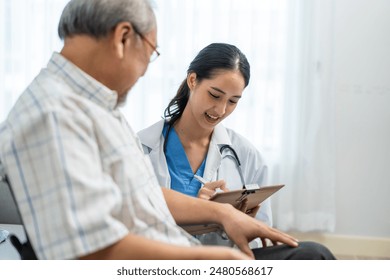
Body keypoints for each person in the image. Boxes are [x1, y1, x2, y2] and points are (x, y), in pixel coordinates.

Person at [0, 0, 335, 260]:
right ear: (123, 38)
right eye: (150, 53)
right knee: (313, 259)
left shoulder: (92, 105)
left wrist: (220, 213)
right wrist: (207, 259)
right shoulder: (54, 115)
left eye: (233, 101)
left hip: (176, 254)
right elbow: (89, 252)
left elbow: (140, 194)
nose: (146, 71)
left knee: (311, 254)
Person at [138, 43, 272, 247]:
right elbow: (129, 227)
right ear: (193, 80)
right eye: (215, 95)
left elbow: (261, 243)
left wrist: (242, 224)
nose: (220, 110)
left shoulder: (247, 156)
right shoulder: (139, 149)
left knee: (311, 252)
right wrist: (200, 211)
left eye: (233, 101)